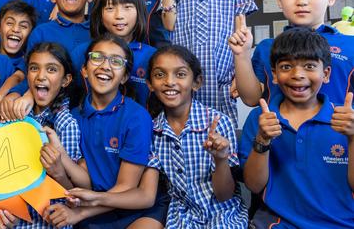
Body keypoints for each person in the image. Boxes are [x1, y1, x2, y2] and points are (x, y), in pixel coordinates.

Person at [45, 35, 168, 228]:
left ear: (125, 77)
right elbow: (80, 183)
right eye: (97, 57)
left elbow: (127, 187)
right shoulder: (72, 119)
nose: (105, 65)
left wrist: (82, 211)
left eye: (116, 61)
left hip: (132, 208)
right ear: (84, 70)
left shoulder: (136, 117)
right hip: (93, 211)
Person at [239, 27, 354, 228]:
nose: (297, 75)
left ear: (326, 74)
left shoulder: (347, 120)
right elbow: (253, 185)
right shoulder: (260, 118)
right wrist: (262, 140)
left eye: (309, 66)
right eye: (286, 67)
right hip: (280, 223)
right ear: (274, 75)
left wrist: (353, 138)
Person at [230, 0, 354, 107]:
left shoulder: (350, 46)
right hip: (279, 130)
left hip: (337, 130)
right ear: (279, 0)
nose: (302, 1)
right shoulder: (267, 48)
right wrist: (242, 55)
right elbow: (251, 99)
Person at [147, 45, 248, 228]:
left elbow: (224, 195)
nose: (170, 81)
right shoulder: (152, 131)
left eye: (181, 74)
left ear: (196, 82)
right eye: (160, 75)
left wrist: (221, 159)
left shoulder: (219, 123)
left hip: (224, 214)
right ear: (150, 84)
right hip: (181, 216)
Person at [0, 42, 81, 229]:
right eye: (34, 68)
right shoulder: (16, 116)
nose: (41, 76)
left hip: (50, 222)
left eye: (52, 69)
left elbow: (74, 193)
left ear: (66, 80)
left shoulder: (65, 124)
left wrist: (58, 170)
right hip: (15, 219)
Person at [70, 0, 156, 107]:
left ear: (139, 12)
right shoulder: (82, 52)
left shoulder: (152, 56)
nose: (119, 15)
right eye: (110, 8)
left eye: (127, 7)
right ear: (100, 14)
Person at [0, 0, 38, 69]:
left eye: (23, 26)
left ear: (31, 34)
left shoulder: (30, 67)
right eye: (10, 23)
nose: (15, 29)